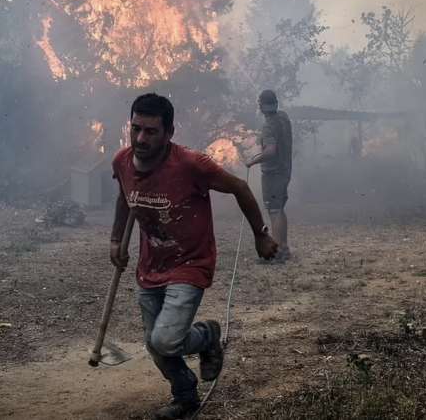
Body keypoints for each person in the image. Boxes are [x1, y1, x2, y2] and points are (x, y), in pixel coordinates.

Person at [109, 93, 278, 420]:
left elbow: (240, 189)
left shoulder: (190, 164)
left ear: (169, 133)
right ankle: (185, 396)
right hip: (150, 266)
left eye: (150, 131)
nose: (141, 138)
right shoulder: (122, 161)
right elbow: (124, 198)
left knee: (165, 340)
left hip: (190, 263)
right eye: (136, 129)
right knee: (156, 346)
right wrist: (117, 239)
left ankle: (207, 335)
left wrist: (261, 233)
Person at [246, 89, 292, 263]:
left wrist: (252, 161)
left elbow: (271, 151)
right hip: (285, 170)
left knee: (274, 210)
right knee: (279, 208)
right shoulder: (284, 117)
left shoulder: (269, 126)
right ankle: (284, 248)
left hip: (273, 173)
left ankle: (278, 252)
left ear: (261, 106)